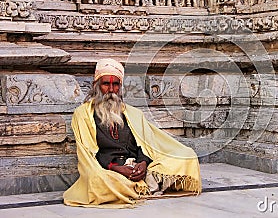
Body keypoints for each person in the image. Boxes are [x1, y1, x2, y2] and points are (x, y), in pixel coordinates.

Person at [63, 58, 201, 207]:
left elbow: (145, 145)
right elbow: (89, 153)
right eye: (106, 84)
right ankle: (146, 186)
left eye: (115, 84)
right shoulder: (83, 114)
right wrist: (116, 168)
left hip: (136, 165)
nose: (111, 90)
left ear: (120, 87)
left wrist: (142, 163)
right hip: (110, 169)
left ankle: (140, 184)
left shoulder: (133, 113)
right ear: (96, 86)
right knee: (97, 181)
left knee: (187, 157)